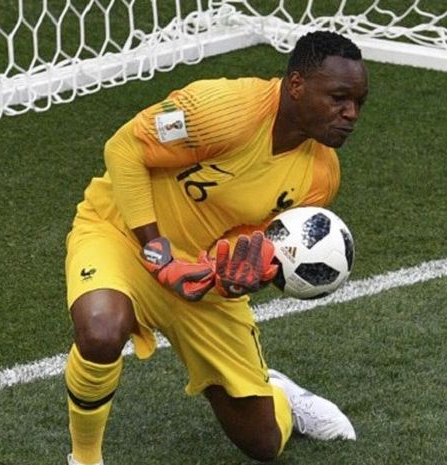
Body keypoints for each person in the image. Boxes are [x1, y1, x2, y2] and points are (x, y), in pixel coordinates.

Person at [63, 30, 369, 465]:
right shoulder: (225, 111)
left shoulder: (320, 177)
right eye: (339, 98)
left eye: (359, 102)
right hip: (120, 235)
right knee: (100, 330)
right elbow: (125, 147)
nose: (351, 113)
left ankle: (280, 394)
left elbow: (252, 243)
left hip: (196, 276)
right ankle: (85, 458)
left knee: (263, 443)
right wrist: (158, 251)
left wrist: (232, 274)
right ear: (297, 85)